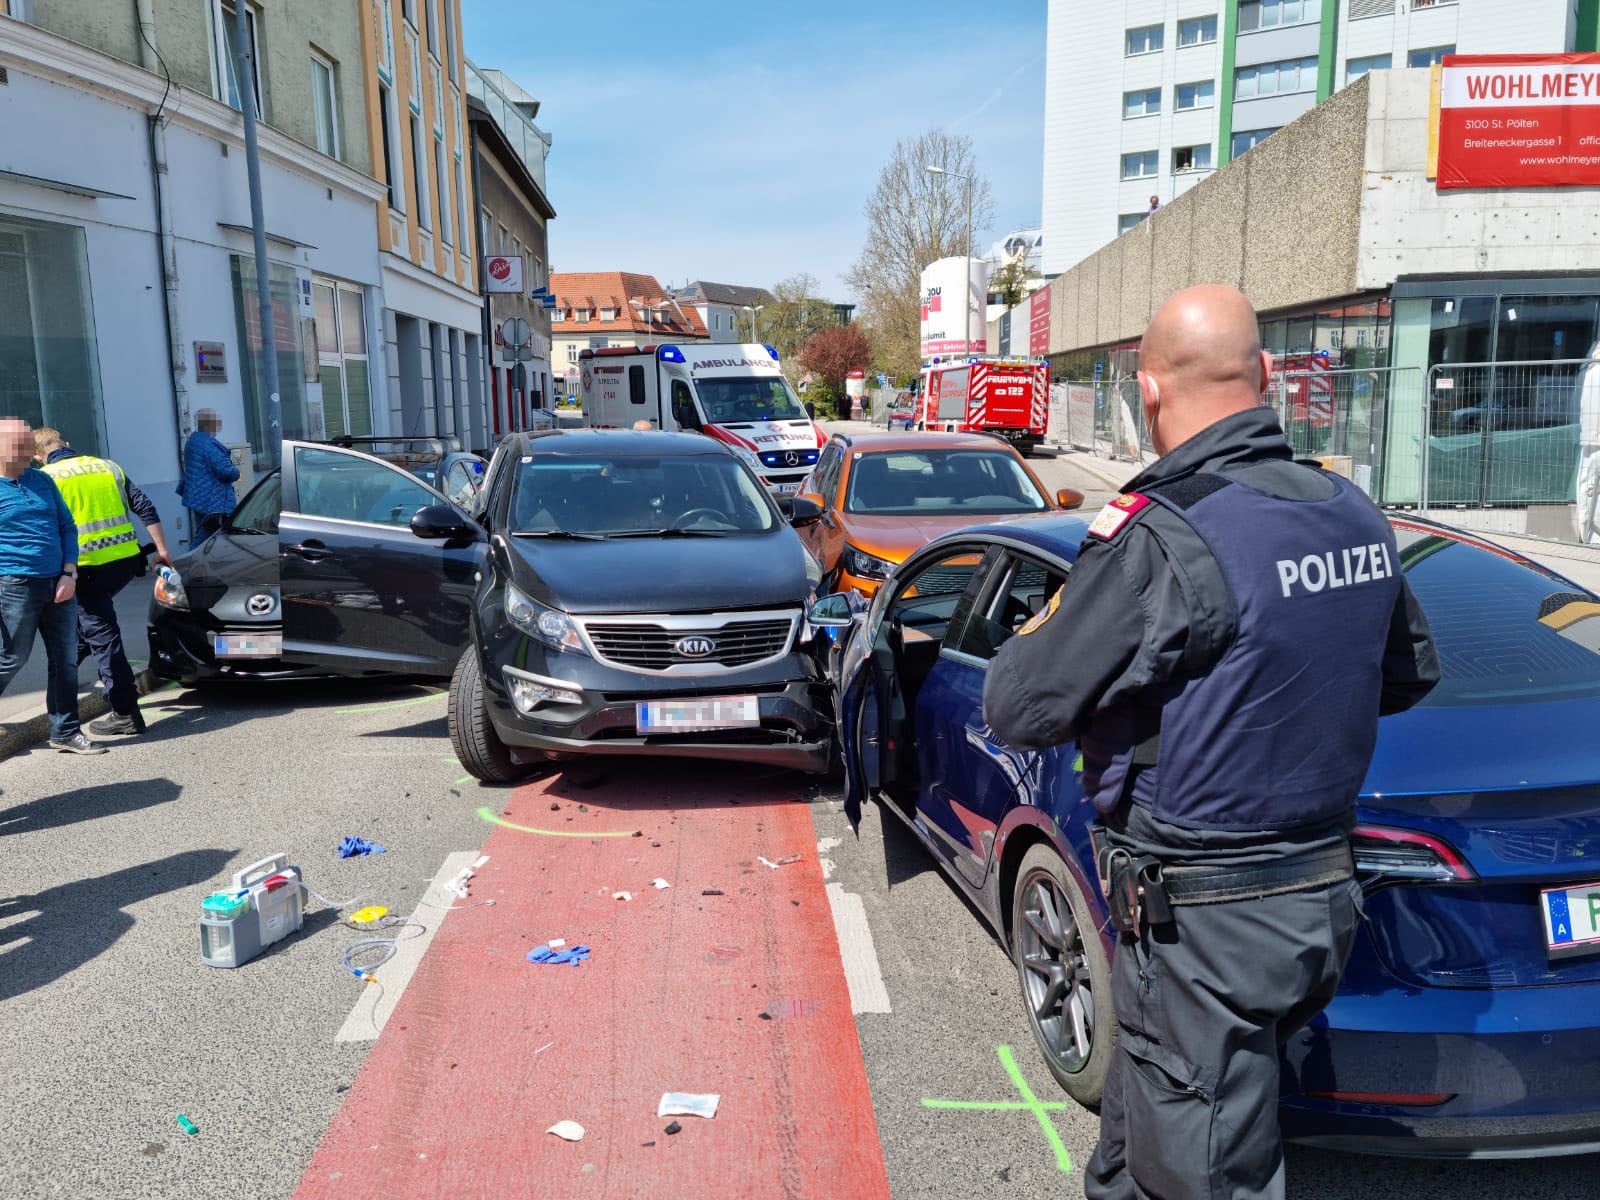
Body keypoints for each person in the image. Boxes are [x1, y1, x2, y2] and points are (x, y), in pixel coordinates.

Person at [983, 285, 1439, 1199]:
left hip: (1201, 922)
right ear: (1264, 374)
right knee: (1149, 1124)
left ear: (1149, 392)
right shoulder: (1351, 511)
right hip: (1319, 899)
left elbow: (1018, 705)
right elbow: (1403, 674)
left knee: (1207, 1169)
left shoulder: (1159, 534)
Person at [36, 427, 172, 737]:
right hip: (124, 563)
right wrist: (162, 551)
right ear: (67, 443)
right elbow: (145, 507)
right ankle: (63, 685)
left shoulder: (47, 477)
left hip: (85, 569)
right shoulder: (107, 466)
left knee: (102, 635)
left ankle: (125, 712)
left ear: (37, 456)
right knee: (84, 630)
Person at [0, 417, 105, 754]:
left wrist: (69, 572)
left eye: (28, 445)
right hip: (15, 585)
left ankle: (65, 731)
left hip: (59, 582)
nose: (27, 451)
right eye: (18, 445)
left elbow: (67, 526)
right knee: (11, 659)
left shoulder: (42, 480)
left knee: (65, 660)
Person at [179, 408, 240, 547]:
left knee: (205, 532)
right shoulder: (209, 444)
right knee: (208, 535)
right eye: (217, 422)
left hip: (198, 497)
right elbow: (225, 471)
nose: (219, 426)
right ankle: (191, 559)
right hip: (213, 499)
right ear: (209, 424)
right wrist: (236, 471)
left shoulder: (192, 441)